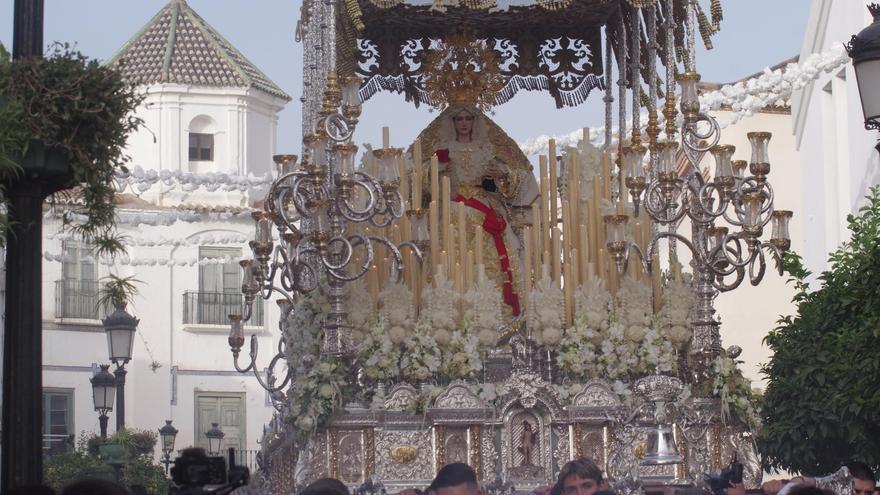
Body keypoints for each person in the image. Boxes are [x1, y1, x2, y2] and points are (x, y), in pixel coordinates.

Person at [412, 103, 538, 319]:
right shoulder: (444, 149)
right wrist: (434, 169)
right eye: (459, 119)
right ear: (452, 122)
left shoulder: (486, 149)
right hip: (451, 206)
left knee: (493, 255)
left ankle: (495, 310)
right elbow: (419, 180)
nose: (463, 123)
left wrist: (502, 173)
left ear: (474, 122)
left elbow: (509, 177)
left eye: (468, 119)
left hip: (483, 205)